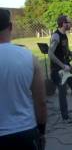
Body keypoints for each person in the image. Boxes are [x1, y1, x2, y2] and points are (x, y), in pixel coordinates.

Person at [0, 9, 47, 149]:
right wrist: (42, 132)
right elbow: (41, 102)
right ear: (11, 27)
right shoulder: (29, 57)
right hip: (25, 131)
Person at [48, 15, 72, 121]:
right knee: (63, 92)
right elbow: (50, 54)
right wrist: (62, 66)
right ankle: (65, 117)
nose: (71, 24)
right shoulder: (56, 36)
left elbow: (67, 51)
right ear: (63, 23)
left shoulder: (64, 35)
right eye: (69, 22)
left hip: (66, 67)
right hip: (58, 70)